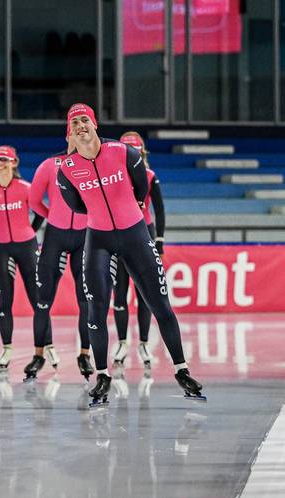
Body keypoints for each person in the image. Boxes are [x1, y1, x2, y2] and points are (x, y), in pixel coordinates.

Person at [56, 103, 204, 406]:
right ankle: (102, 375)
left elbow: (141, 191)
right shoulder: (67, 169)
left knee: (159, 304)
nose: (81, 126)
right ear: (70, 131)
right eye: (74, 123)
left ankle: (181, 370)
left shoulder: (124, 153)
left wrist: (124, 214)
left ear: (95, 123)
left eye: (85, 120)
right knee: (96, 307)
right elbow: (78, 206)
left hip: (135, 234)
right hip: (98, 239)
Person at [29, 127, 94, 381]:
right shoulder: (49, 165)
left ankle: (85, 355)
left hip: (83, 237)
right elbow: (34, 201)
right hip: (55, 237)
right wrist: (53, 217)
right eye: (74, 134)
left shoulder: (92, 166)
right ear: (67, 137)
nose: (78, 138)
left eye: (82, 135)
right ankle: (38, 355)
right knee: (43, 299)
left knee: (86, 299)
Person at [0, 146, 43, 374]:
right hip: (2, 248)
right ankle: (6, 349)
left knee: (38, 301)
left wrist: (31, 232)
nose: (0, 164)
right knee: (4, 302)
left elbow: (42, 212)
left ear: (14, 162)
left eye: (5, 160)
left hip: (27, 246)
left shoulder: (26, 188)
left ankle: (46, 347)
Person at [111, 131, 166, 374]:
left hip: (144, 233)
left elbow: (160, 210)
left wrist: (160, 240)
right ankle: (122, 343)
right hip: (118, 232)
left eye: (135, 151)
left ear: (142, 152)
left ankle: (144, 343)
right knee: (119, 291)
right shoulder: (111, 177)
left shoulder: (150, 175)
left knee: (145, 292)